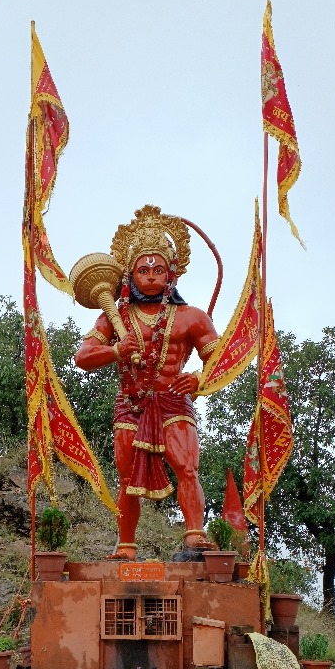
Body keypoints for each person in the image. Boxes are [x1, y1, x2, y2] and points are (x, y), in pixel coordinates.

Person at [73, 206, 221, 559]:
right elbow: (83, 357)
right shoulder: (113, 318)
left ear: (171, 274)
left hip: (174, 399)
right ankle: (125, 546)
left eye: (158, 269)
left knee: (187, 466)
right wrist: (117, 352)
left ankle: (194, 534)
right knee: (127, 477)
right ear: (131, 274)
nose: (151, 276)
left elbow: (220, 358)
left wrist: (199, 378)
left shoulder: (192, 317)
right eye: (143, 269)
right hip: (132, 403)